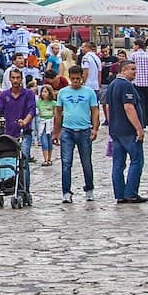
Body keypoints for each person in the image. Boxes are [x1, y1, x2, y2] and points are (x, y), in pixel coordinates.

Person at [53, 65, 100, 204]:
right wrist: (56, 132)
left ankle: (89, 189)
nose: (75, 81)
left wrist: (95, 128)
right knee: (66, 163)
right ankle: (66, 192)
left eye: (78, 79)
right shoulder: (63, 93)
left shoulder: (89, 93)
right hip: (67, 131)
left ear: (82, 78)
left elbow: (95, 111)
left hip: (84, 130)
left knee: (86, 163)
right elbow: (58, 112)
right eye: (73, 79)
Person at [105, 59, 148, 204]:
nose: (135, 72)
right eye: (132, 69)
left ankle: (119, 193)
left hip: (116, 129)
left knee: (118, 163)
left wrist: (111, 124)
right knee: (136, 160)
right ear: (123, 71)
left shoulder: (112, 85)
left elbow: (108, 107)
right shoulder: (126, 86)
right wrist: (138, 128)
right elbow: (129, 107)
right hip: (128, 130)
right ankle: (131, 192)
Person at [0, 67, 37, 194]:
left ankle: (24, 190)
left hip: (25, 133)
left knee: (24, 158)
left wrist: (25, 121)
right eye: (13, 78)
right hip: (9, 133)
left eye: (18, 78)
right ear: (10, 79)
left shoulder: (28, 94)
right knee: (4, 158)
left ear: (21, 79)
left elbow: (31, 111)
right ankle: (5, 183)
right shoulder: (4, 95)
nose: (16, 80)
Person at [129, 39, 148, 128]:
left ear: (137, 46)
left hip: (137, 82)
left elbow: (130, 68)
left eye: (134, 45)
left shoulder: (133, 56)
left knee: (139, 103)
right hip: (147, 82)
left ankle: (142, 122)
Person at [36, 84, 57, 166]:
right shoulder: (39, 103)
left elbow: (55, 114)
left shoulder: (53, 103)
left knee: (49, 142)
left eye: (45, 92)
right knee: (44, 141)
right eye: (42, 92)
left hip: (50, 123)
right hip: (42, 123)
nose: (44, 93)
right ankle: (45, 159)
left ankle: (49, 158)